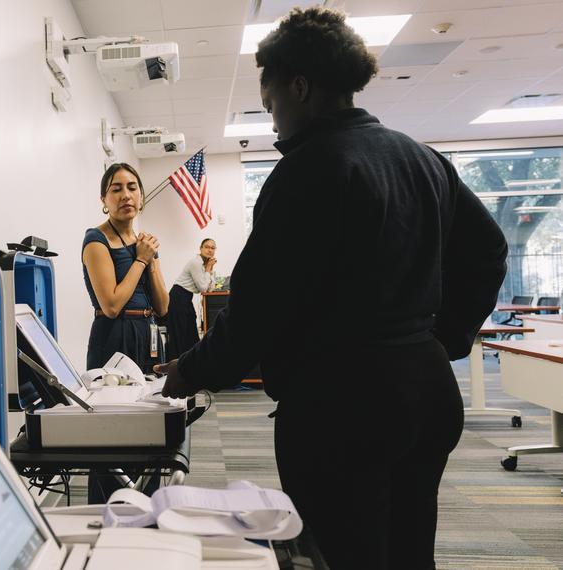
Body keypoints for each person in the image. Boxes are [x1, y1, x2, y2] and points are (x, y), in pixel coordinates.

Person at [156, 7, 507, 570]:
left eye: (270, 103)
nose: (271, 122)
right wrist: (449, 336)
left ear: (300, 87)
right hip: (427, 390)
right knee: (411, 549)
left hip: (342, 407)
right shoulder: (424, 159)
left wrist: (191, 371)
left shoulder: (308, 170)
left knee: (342, 554)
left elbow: (258, 308)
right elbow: (489, 250)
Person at [82, 162, 169, 503]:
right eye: (116, 188)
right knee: (112, 433)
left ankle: (146, 507)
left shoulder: (144, 243)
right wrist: (141, 261)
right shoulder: (95, 240)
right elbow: (112, 305)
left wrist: (152, 258)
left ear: (142, 197)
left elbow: (162, 306)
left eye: (132, 187)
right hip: (113, 338)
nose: (125, 194)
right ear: (104, 199)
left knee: (148, 427)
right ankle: (106, 511)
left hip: (147, 336)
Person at [166, 238, 218, 360]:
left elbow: (210, 289)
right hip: (178, 297)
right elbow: (203, 288)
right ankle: (175, 367)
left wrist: (209, 270)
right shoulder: (195, 263)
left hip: (186, 299)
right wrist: (209, 269)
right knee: (180, 334)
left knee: (191, 334)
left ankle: (188, 364)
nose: (210, 250)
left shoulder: (204, 266)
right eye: (207, 247)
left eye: (212, 248)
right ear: (200, 248)